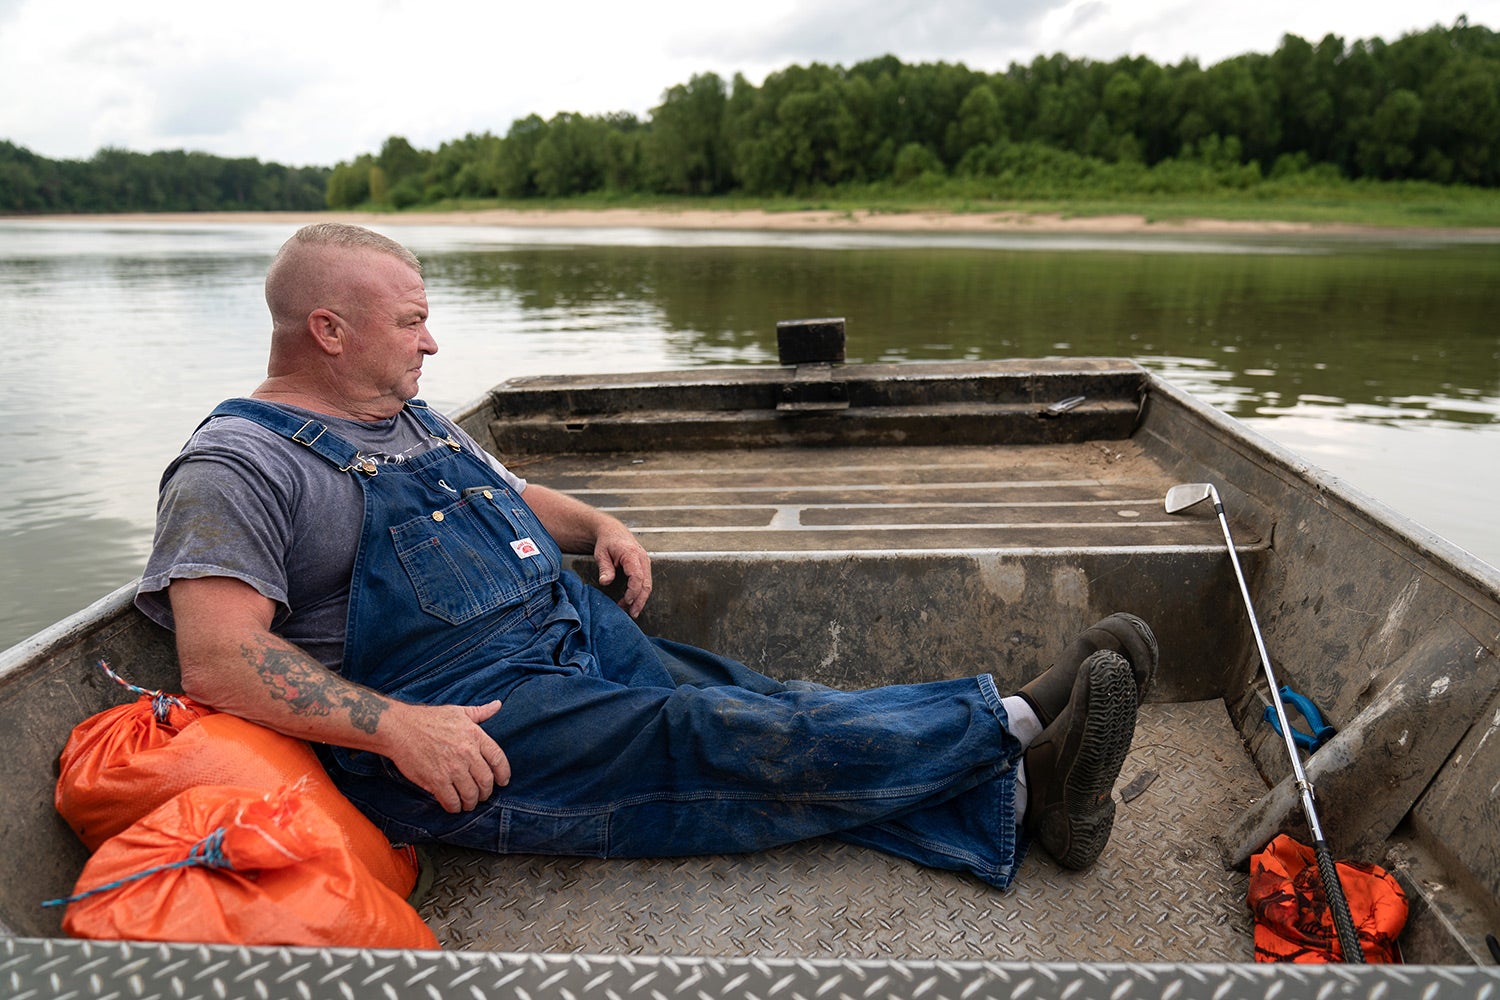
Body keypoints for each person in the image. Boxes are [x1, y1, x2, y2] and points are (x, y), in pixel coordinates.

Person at [136, 222, 1157, 887]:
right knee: (706, 736)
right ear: (328, 328)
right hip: (462, 714)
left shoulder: (406, 416)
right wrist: (400, 727)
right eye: (412, 322)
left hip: (564, 632)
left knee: (769, 707)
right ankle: (1011, 723)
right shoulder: (237, 465)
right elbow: (220, 657)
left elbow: (503, 492)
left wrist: (597, 524)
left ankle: (1022, 794)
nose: (431, 344)